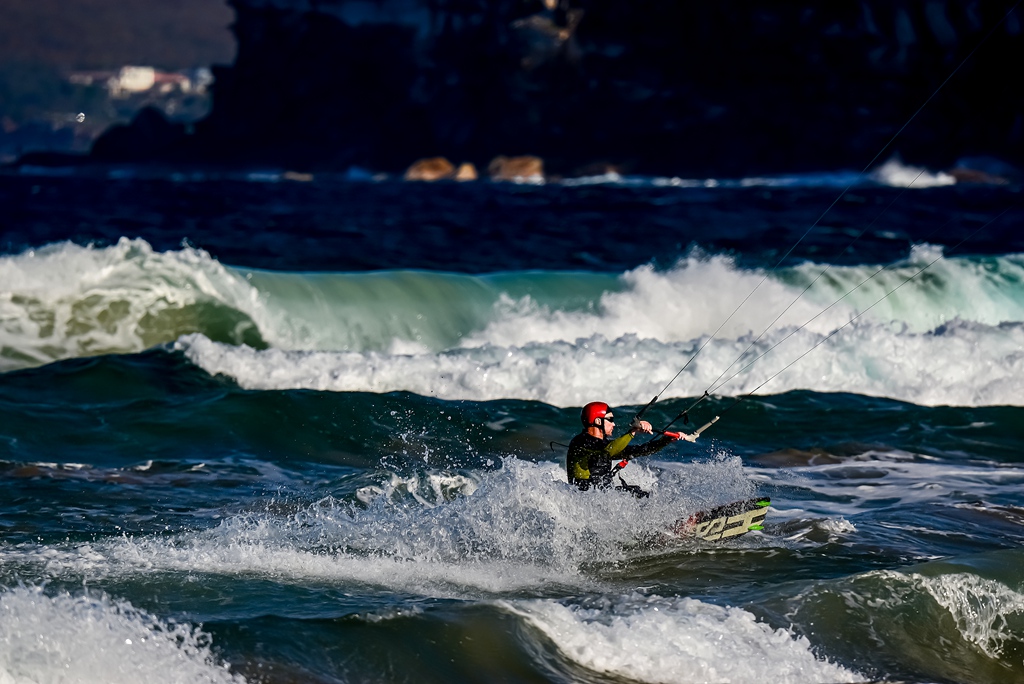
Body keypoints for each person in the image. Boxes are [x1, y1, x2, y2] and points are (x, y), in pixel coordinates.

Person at [566, 401, 695, 498]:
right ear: (598, 421)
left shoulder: (603, 445)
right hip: (586, 500)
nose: (614, 424)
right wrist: (632, 432)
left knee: (640, 495)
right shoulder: (580, 442)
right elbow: (607, 450)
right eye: (610, 419)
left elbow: (639, 450)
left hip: (604, 497)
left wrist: (666, 440)